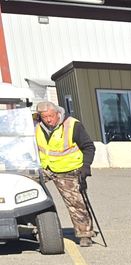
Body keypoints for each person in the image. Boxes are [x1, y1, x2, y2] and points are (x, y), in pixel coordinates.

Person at [34, 99, 97, 245]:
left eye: (51, 116)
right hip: (45, 168)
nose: (49, 120)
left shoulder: (72, 125)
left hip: (68, 170)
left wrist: (85, 167)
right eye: (45, 117)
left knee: (76, 202)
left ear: (57, 113)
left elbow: (89, 147)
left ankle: (85, 234)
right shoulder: (36, 127)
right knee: (24, 187)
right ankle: (33, 226)